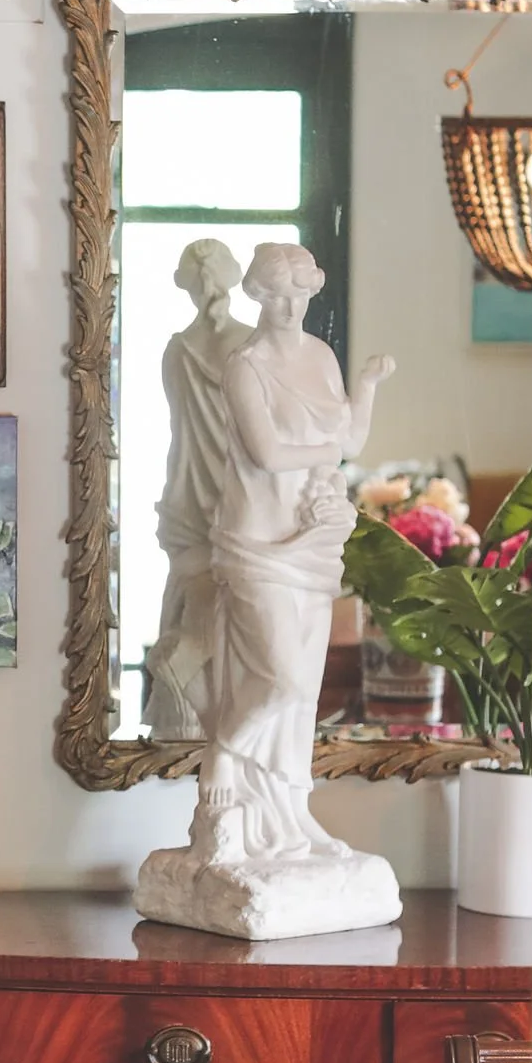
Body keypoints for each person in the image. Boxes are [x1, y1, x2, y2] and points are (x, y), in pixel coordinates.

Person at [191, 242, 393, 869]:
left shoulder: (321, 356)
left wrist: (366, 386)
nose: (289, 306)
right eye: (277, 295)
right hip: (258, 540)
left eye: (300, 294)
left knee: (304, 690)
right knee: (279, 677)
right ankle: (225, 752)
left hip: (312, 539)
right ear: (257, 295)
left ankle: (290, 814)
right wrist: (332, 454)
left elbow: (351, 437)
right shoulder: (245, 365)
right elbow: (268, 453)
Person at [143, 238, 252, 737]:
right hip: (241, 501)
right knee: (237, 621)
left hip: (187, 498)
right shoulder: (254, 347)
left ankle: (190, 721)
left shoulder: (177, 351)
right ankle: (219, 722)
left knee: (196, 604)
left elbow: (180, 424)